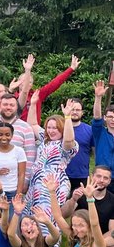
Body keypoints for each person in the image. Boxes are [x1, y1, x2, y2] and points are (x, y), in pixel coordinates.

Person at [25, 96, 78, 239]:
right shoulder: (45, 139)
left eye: (55, 128)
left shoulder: (65, 145)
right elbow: (32, 124)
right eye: (49, 127)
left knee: (49, 217)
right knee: (32, 215)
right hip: (36, 184)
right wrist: (33, 104)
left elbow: (68, 139)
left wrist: (67, 117)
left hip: (53, 185)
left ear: (62, 128)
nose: (51, 130)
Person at [65, 98, 93, 192]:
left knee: (81, 205)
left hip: (81, 175)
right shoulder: (60, 128)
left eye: (77, 110)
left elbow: (95, 151)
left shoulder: (89, 130)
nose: (74, 112)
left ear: (82, 112)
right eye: (72, 109)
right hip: (61, 174)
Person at [91, 80, 114, 192]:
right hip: (102, 179)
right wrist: (98, 98)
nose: (113, 120)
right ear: (105, 118)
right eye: (110, 117)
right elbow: (96, 117)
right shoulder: (100, 133)